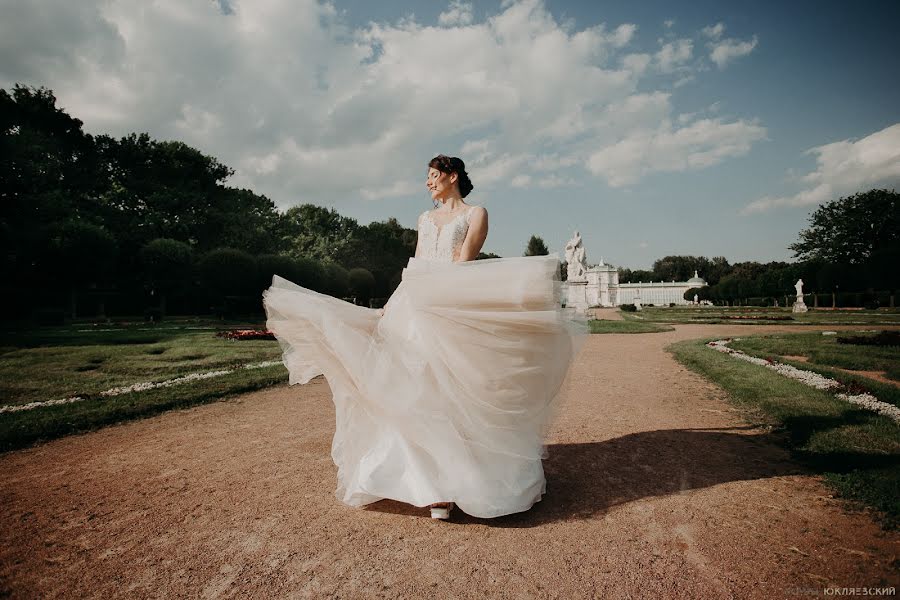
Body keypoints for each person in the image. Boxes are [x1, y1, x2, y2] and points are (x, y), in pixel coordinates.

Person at [262, 154, 588, 521]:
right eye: (428, 177)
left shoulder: (475, 213)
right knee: (409, 385)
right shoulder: (424, 219)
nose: (428, 182)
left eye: (433, 176)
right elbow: (416, 263)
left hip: (449, 305)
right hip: (413, 306)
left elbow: (464, 263)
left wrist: (439, 290)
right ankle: (426, 485)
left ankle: (452, 484)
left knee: (448, 389)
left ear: (452, 177)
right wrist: (394, 302)